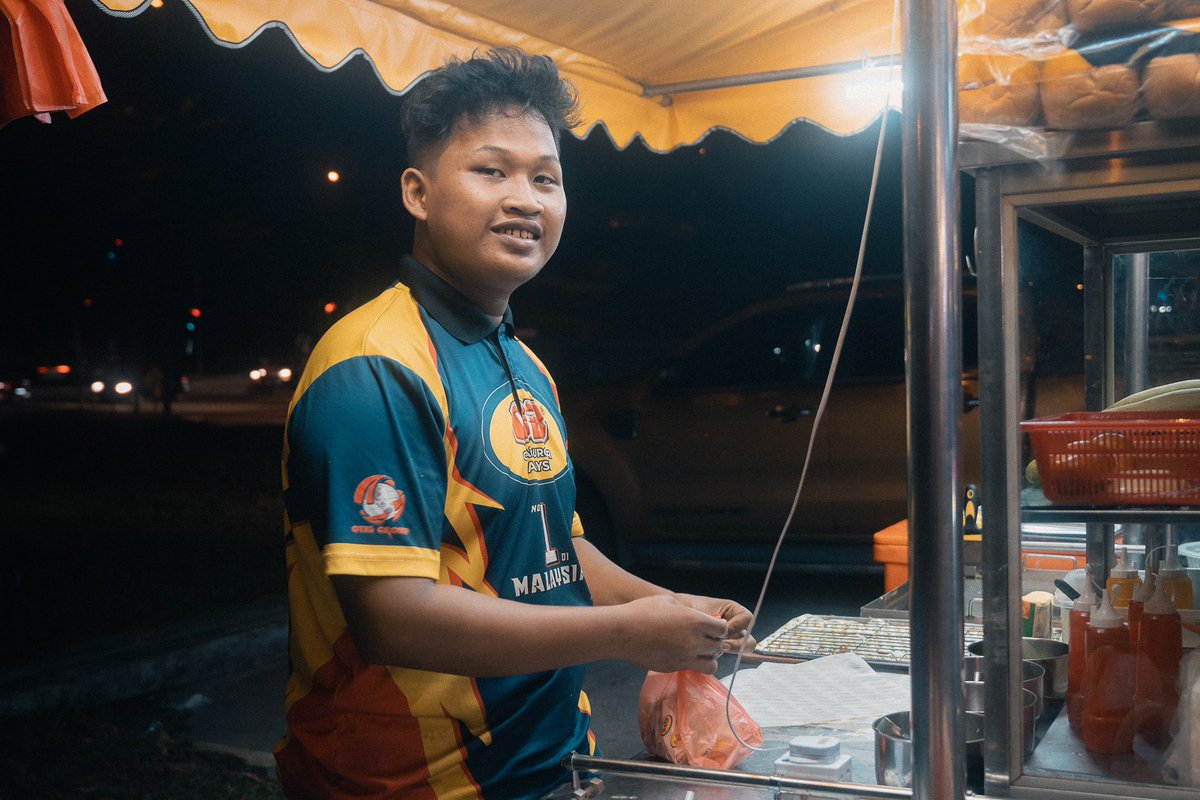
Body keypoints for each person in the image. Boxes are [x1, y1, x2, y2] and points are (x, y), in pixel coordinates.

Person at [274, 48, 754, 800]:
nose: (525, 199)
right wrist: (629, 636)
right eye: (491, 171)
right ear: (418, 192)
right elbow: (394, 618)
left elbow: (555, 547)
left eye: (546, 178)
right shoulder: (375, 365)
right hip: (406, 781)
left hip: (547, 762)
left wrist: (667, 608)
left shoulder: (523, 365)